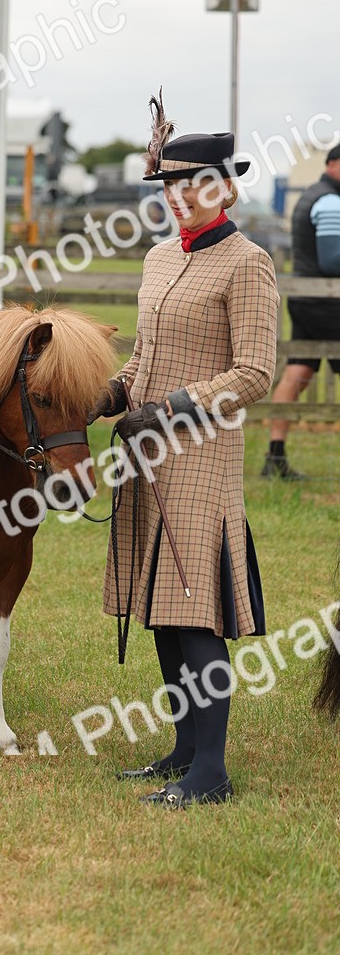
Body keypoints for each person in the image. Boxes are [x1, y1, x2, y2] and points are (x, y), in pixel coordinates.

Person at [88, 95, 278, 809]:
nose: (180, 197)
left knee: (195, 609)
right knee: (162, 604)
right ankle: (183, 749)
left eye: (195, 184)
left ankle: (214, 771)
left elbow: (255, 372)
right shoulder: (160, 257)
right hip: (143, 452)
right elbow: (144, 359)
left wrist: (169, 408)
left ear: (225, 187)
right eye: (170, 185)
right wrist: (105, 396)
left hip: (199, 456)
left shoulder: (248, 263)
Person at [261, 144, 340, 480]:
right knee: (297, 374)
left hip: (307, 300)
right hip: (328, 302)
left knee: (298, 373)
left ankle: (275, 456)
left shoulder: (311, 195)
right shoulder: (330, 201)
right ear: (334, 164)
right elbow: (332, 260)